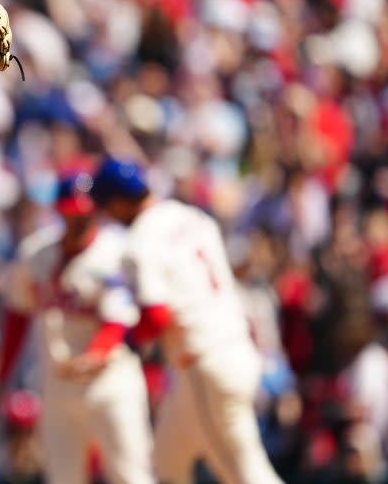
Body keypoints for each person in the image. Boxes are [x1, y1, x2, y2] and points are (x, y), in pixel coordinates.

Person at [90, 157, 283, 484]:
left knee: (246, 474)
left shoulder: (140, 241)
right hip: (229, 351)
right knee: (167, 461)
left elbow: (156, 315)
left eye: (108, 205)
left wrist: (122, 343)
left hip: (204, 362)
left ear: (121, 202)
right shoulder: (191, 216)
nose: (107, 214)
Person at [0, 171, 155, 484]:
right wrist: (3, 379)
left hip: (110, 381)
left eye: (81, 213)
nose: (75, 219)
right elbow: (17, 316)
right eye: (68, 212)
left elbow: (117, 321)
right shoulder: (36, 253)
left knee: (131, 475)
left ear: (95, 210)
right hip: (58, 383)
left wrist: (95, 355)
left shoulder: (114, 251)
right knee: (63, 478)